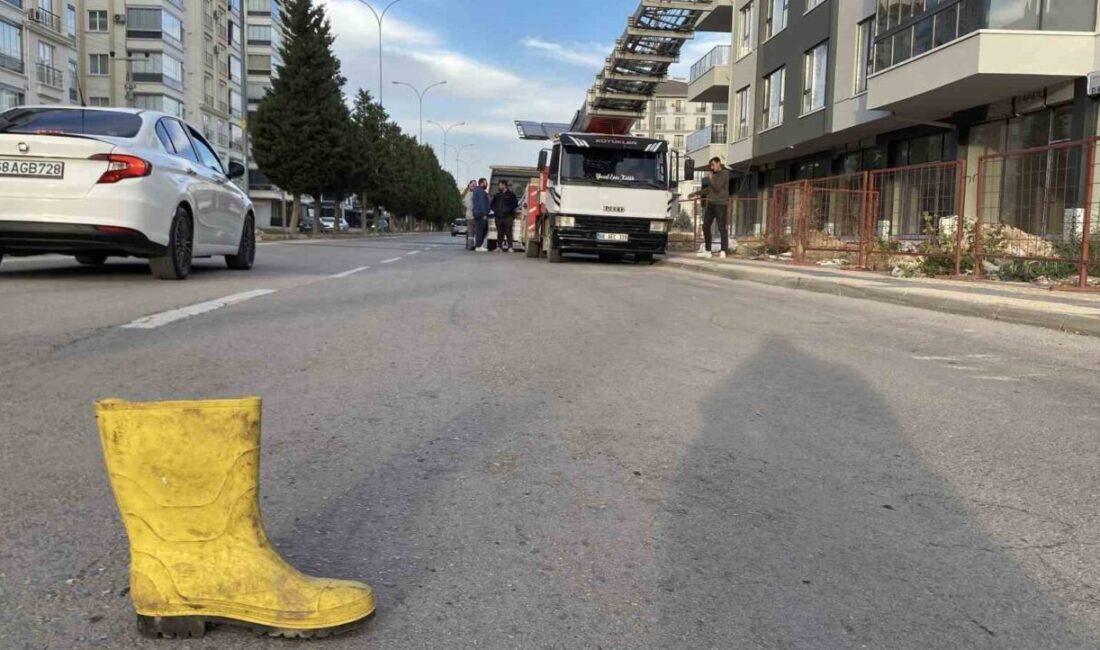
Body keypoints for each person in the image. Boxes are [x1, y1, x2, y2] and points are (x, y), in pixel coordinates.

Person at [693, 157, 730, 259]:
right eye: (711, 165)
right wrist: (696, 193)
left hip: (721, 204)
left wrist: (710, 179)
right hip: (711, 204)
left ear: (719, 163)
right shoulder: (713, 175)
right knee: (705, 226)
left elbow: (717, 187)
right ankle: (708, 250)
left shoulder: (724, 174)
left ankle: (723, 250)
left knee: (722, 228)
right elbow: (709, 189)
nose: (711, 167)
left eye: (713, 165)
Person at [490, 180, 519, 252]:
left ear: (504, 185)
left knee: (508, 232)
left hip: (508, 217)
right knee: (499, 233)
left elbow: (515, 204)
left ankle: (510, 247)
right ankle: (499, 247)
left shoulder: (511, 195)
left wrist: (508, 209)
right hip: (498, 217)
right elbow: (492, 205)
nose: (499, 186)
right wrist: (495, 210)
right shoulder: (497, 195)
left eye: (500, 185)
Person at [471, 178, 491, 252]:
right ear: (481, 183)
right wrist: (484, 213)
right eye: (486, 183)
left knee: (483, 229)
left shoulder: (477, 191)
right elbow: (482, 203)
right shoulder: (480, 191)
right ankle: (478, 246)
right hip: (481, 213)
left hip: (478, 212)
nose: (487, 184)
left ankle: (479, 245)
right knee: (481, 230)